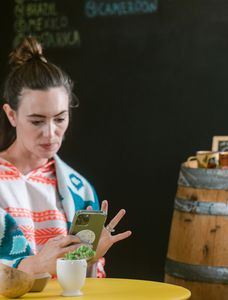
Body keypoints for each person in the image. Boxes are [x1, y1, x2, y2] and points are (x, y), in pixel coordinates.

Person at [0, 36, 132, 277]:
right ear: (11, 115)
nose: (51, 134)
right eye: (37, 121)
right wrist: (33, 266)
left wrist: (92, 259)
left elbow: (88, 282)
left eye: (60, 119)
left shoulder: (79, 189)